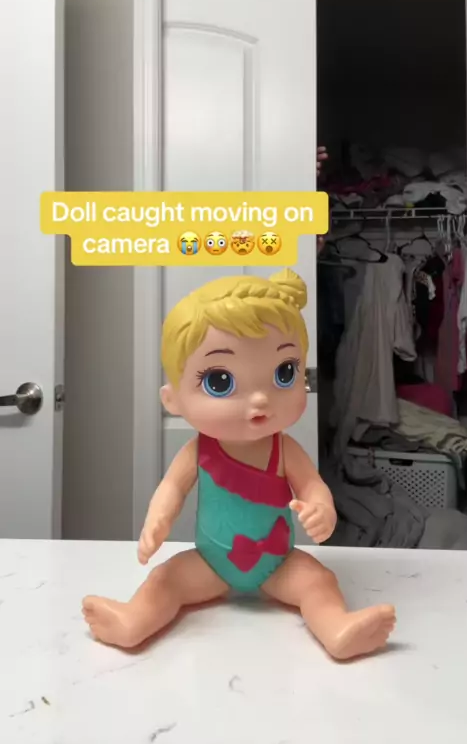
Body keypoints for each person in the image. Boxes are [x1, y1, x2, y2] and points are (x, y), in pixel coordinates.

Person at [82, 270, 396, 661]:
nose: (260, 400)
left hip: (278, 562)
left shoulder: (284, 449)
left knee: (318, 582)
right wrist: (158, 519)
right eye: (220, 381)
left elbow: (313, 486)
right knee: (166, 580)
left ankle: (337, 628)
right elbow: (172, 488)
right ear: (172, 399)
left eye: (284, 373)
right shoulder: (199, 451)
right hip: (210, 563)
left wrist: (322, 510)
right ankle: (133, 621)